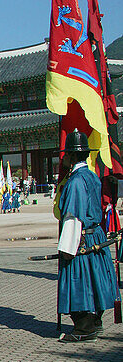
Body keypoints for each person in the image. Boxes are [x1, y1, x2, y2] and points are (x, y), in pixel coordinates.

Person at [55, 130, 119, 341]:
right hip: (96, 235)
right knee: (96, 279)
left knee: (79, 280)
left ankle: (84, 327)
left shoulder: (75, 182)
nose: (63, 158)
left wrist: (67, 248)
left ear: (73, 156)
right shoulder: (91, 176)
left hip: (81, 237)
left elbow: (74, 216)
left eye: (66, 154)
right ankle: (96, 321)